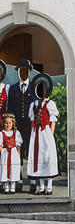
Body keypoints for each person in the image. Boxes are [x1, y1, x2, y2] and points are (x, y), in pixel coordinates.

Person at [26, 77, 59, 195]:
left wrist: (51, 134)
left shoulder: (50, 104)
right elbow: (32, 121)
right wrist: (32, 134)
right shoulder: (33, 104)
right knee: (38, 158)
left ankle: (49, 186)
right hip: (36, 133)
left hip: (46, 133)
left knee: (48, 157)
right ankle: (41, 187)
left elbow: (53, 120)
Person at [7, 60, 34, 192]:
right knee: (18, 153)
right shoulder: (12, 89)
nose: (23, 73)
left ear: (29, 72)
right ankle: (19, 180)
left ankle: (33, 181)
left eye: (25, 70)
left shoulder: (34, 87)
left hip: (30, 126)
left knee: (31, 152)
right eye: (20, 70)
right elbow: (10, 108)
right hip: (17, 127)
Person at [0, 112, 21, 193]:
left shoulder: (16, 133)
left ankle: (12, 186)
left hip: (14, 153)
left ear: (13, 123)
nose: (8, 125)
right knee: (5, 168)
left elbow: (18, 145)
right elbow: (0, 145)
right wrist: (2, 154)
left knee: (13, 169)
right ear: (3, 123)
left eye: (10, 123)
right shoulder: (1, 133)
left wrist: (18, 155)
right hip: (5, 154)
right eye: (6, 123)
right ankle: (6, 186)